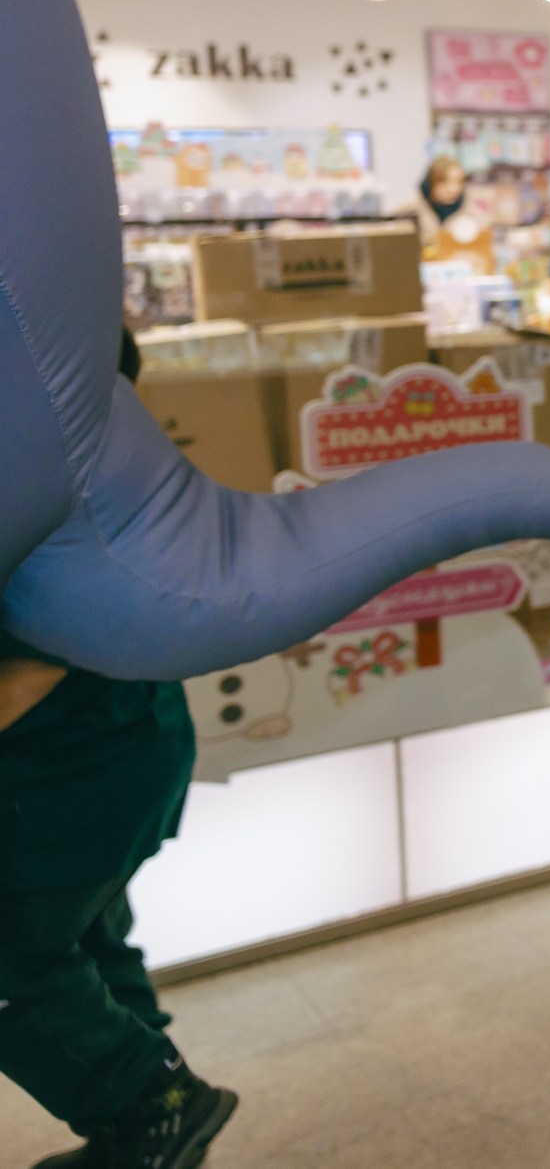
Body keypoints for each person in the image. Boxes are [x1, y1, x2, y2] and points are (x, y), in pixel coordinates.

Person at [0, 331, 235, 1169]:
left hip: (70, 764)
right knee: (82, 938)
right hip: (114, 743)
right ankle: (153, 1114)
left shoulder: (41, 471)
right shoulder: (79, 438)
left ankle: (151, 1108)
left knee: (15, 956)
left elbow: (28, 668)